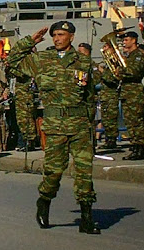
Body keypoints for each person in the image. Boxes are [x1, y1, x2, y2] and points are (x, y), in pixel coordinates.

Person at [6, 21, 100, 234]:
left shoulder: (83, 62)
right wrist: (29, 41)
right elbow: (11, 63)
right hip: (55, 126)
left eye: (61, 34)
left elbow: (90, 96)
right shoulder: (42, 60)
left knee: (84, 171)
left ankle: (86, 218)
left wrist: (90, 122)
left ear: (72, 37)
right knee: (54, 172)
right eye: (54, 35)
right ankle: (44, 201)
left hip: (79, 125)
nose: (57, 38)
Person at [115, 31, 144, 160]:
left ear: (134, 40)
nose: (124, 42)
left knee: (137, 121)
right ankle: (134, 145)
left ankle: (140, 147)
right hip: (126, 92)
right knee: (130, 122)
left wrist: (120, 70)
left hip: (134, 92)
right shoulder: (129, 57)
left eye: (127, 40)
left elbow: (135, 72)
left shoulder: (138, 55)